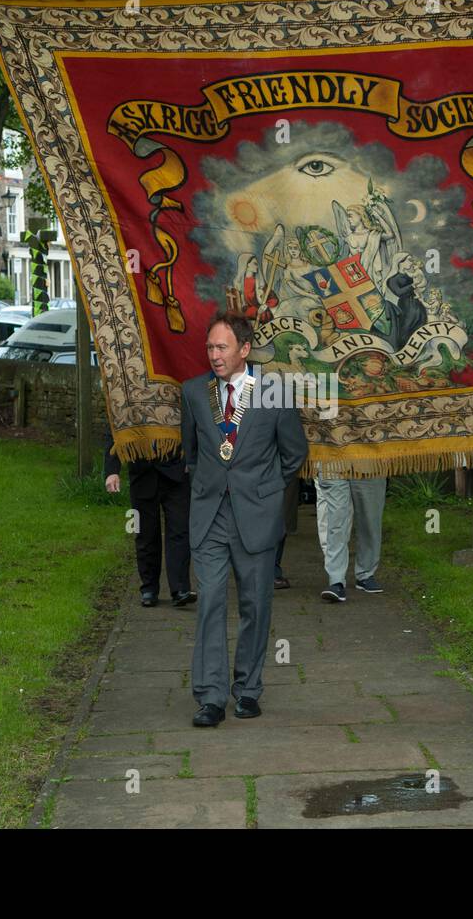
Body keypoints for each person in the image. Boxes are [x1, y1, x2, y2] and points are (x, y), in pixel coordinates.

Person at [181, 311, 308, 727]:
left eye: (222, 347)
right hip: (210, 515)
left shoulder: (275, 393)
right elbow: (193, 452)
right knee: (211, 602)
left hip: (256, 516)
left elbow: (294, 455)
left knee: (255, 605)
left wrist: (265, 490)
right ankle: (211, 698)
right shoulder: (195, 393)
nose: (214, 355)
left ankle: (248, 690)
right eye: (210, 348)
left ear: (245, 349)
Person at [104, 430, 196, 608]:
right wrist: (111, 471)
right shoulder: (127, 400)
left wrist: (191, 459)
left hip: (177, 471)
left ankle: (180, 589)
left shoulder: (180, 399)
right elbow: (115, 426)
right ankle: (149, 589)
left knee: (180, 531)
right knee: (143, 532)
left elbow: (192, 421)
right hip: (141, 473)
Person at [316, 466, 388, 604]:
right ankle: (336, 580)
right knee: (337, 523)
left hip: (370, 461)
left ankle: (366, 574)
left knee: (370, 522)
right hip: (332, 459)